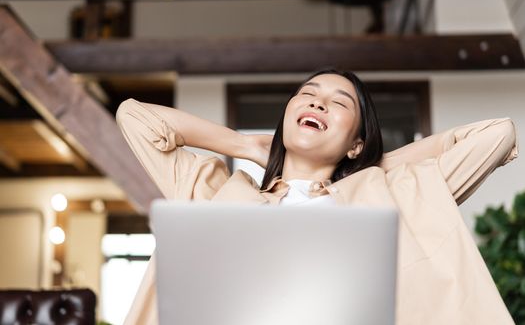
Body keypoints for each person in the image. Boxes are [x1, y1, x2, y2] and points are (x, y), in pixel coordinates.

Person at [116, 68, 518, 325]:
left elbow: (496, 135)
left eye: (339, 102)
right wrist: (246, 145)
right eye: (308, 93)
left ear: (356, 142)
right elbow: (135, 117)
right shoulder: (218, 196)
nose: (317, 101)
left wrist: (373, 163)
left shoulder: (388, 195)